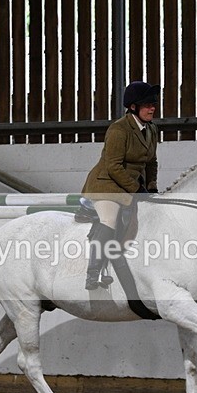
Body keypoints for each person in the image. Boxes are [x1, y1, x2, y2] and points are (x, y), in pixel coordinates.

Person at [81, 81, 160, 290]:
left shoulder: (151, 129)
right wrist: (136, 190)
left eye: (153, 104)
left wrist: (151, 186)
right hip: (107, 184)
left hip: (131, 185)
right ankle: (94, 273)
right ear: (133, 107)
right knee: (109, 219)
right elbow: (113, 166)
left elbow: (151, 162)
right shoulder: (119, 129)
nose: (152, 108)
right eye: (147, 105)